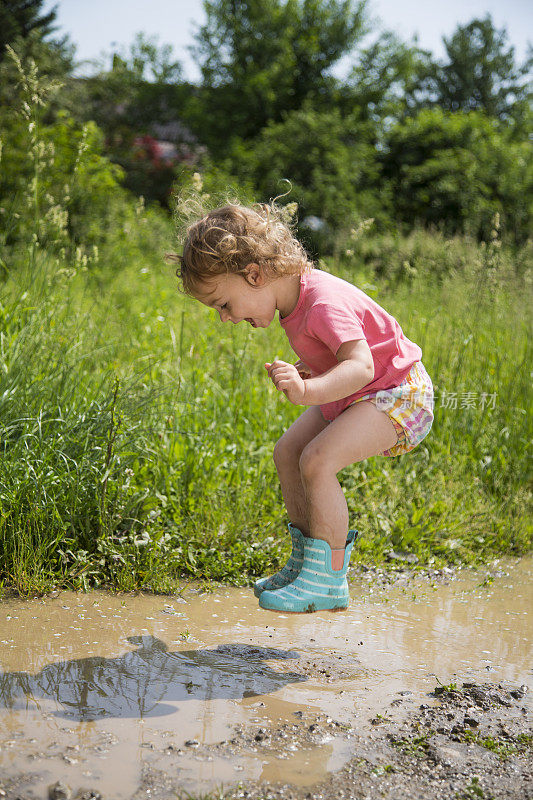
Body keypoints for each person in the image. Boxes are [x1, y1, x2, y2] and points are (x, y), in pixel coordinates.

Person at [171, 202, 434, 614]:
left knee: (316, 460)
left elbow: (362, 365)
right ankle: (305, 565)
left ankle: (328, 579)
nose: (224, 318)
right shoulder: (294, 301)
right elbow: (339, 356)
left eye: (223, 304)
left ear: (254, 274)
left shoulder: (321, 302)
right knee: (288, 452)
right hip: (363, 392)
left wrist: (307, 390)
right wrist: (310, 367)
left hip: (398, 393)